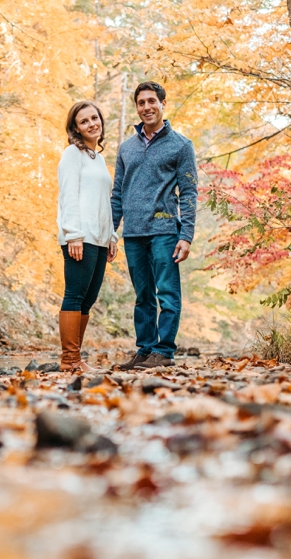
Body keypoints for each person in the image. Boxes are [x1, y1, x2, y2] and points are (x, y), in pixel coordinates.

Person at [110, 81, 197, 370]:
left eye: (151, 101)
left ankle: (164, 352)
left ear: (163, 104)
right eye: (141, 102)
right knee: (142, 296)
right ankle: (145, 351)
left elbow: (189, 192)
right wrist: (112, 230)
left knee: (167, 293)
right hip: (133, 233)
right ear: (137, 107)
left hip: (164, 230)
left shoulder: (181, 145)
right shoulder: (127, 148)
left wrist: (186, 235)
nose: (146, 107)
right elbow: (118, 193)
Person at [56, 100, 118, 371]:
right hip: (79, 236)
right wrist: (73, 234)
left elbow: (104, 201)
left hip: (99, 238)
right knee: (75, 294)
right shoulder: (72, 154)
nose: (92, 124)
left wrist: (112, 236)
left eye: (95, 118)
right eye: (84, 121)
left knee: (89, 298)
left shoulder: (99, 158)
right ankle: (69, 360)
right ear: (76, 128)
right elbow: (68, 195)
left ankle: (76, 359)